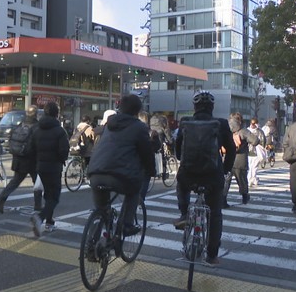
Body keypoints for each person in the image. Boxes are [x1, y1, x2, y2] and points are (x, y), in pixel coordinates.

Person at [173, 91, 235, 266]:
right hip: (213, 176)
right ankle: (212, 256)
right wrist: (225, 170)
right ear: (212, 107)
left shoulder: (185, 122)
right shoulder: (221, 124)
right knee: (215, 214)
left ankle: (184, 213)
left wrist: (182, 160)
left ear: (195, 107)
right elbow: (231, 150)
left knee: (181, 185)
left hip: (188, 174)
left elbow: (178, 148)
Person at [87, 95, 156, 238]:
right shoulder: (139, 127)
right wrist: (151, 170)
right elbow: (146, 153)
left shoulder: (109, 126)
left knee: (101, 209)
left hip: (95, 173)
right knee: (134, 192)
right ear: (138, 111)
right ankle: (126, 225)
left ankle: (92, 244)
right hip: (120, 177)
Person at [29, 101, 69, 237]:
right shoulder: (60, 131)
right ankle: (40, 218)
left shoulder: (37, 129)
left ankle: (49, 222)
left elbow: (31, 149)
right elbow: (64, 152)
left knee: (48, 196)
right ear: (57, 114)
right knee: (54, 197)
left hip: (40, 167)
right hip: (54, 167)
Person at [0, 105, 42, 214]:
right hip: (32, 159)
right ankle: (38, 205)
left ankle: (2, 198)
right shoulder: (37, 126)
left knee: (15, 181)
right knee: (38, 182)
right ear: (36, 114)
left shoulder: (20, 124)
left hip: (18, 158)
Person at [224, 113, 258, 207]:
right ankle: (244, 196)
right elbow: (255, 141)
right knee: (242, 180)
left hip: (227, 159)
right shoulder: (243, 131)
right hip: (240, 160)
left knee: (226, 180)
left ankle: (223, 200)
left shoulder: (226, 130)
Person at [137, 111, 161, 199]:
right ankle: (140, 200)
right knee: (144, 182)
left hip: (133, 163)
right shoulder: (152, 133)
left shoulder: (133, 131)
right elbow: (157, 146)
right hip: (146, 163)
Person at [247, 117, 266, 188]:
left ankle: (251, 179)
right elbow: (263, 141)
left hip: (248, 151)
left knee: (251, 166)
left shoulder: (247, 130)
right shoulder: (259, 131)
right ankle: (252, 179)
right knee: (254, 167)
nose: (252, 125)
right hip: (256, 151)